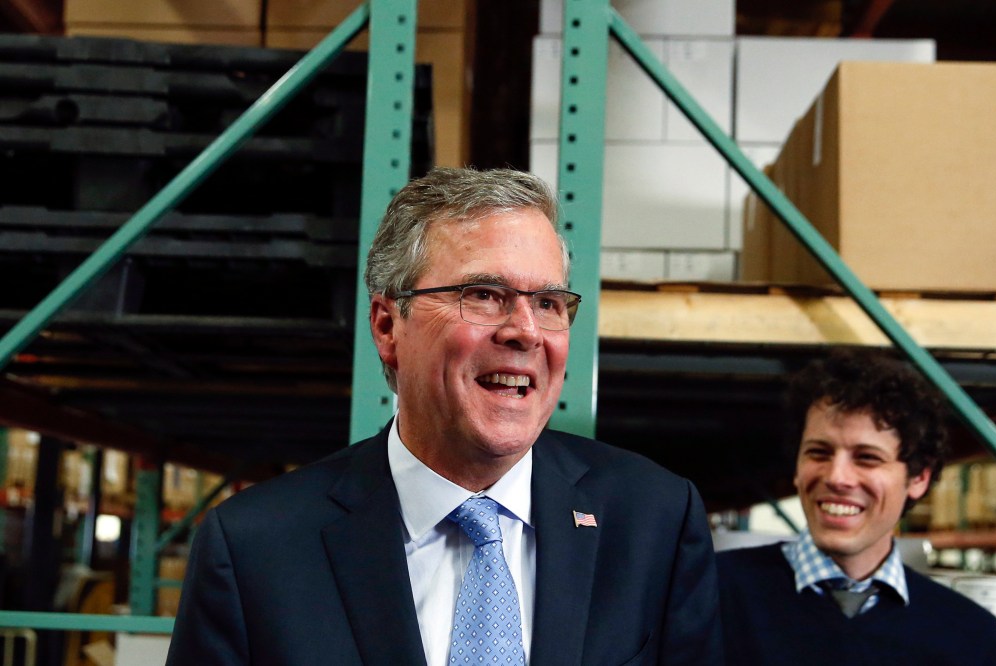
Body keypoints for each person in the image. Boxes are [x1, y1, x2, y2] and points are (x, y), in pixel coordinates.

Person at [167, 167, 723, 665]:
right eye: (484, 294)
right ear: (388, 326)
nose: (525, 331)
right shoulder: (253, 550)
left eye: (549, 303)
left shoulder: (656, 522)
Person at [717, 349, 996, 665]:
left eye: (867, 457)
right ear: (797, 467)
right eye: (819, 453)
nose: (837, 477)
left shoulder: (973, 639)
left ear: (919, 477)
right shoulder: (711, 593)